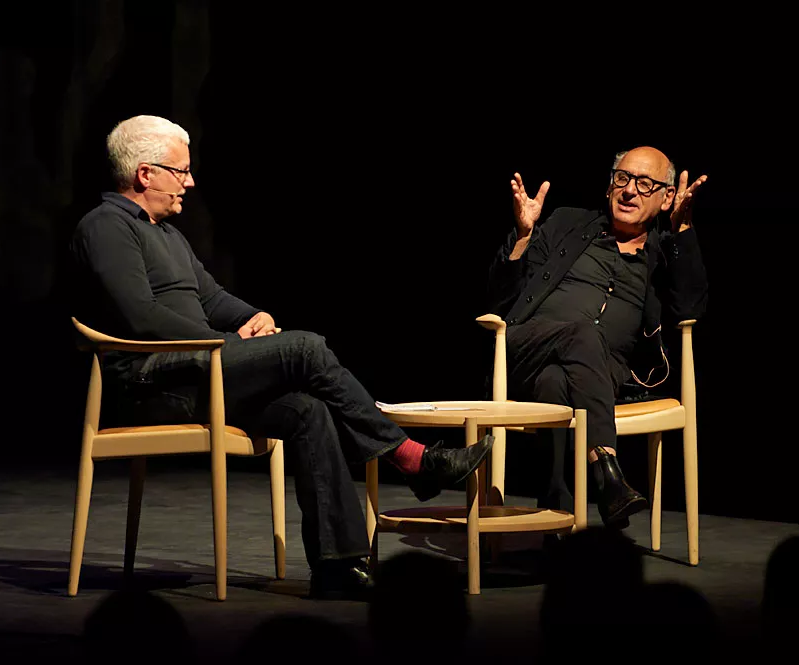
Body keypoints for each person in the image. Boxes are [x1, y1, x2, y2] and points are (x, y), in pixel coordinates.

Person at [69, 115, 493, 600]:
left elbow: (212, 298)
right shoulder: (105, 227)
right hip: (152, 384)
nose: (190, 181)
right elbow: (141, 316)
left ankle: (338, 566)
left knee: (308, 411)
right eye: (180, 171)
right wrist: (225, 343)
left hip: (201, 372)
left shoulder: (168, 235)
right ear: (145, 174)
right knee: (305, 347)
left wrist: (254, 316)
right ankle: (410, 458)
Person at [486, 146, 708, 529]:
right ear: (609, 185)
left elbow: (690, 306)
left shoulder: (661, 253)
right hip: (526, 348)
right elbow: (499, 297)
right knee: (581, 334)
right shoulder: (566, 223)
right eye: (623, 178)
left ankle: (556, 515)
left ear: (666, 197)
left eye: (645, 183)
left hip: (605, 372)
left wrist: (682, 231)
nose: (630, 191)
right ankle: (607, 471)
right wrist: (523, 237)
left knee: (555, 381)